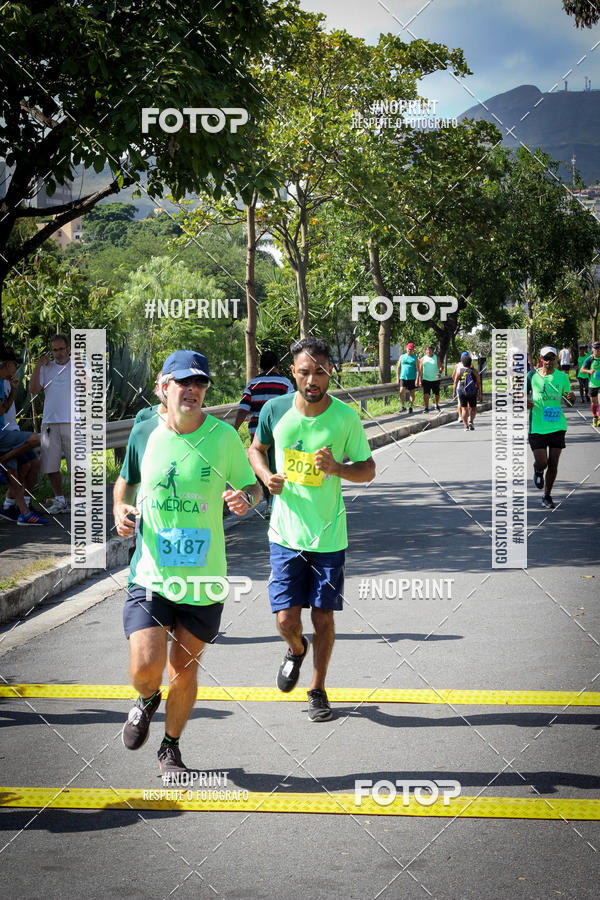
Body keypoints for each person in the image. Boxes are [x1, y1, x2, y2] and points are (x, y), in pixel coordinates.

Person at [114, 350, 261, 778]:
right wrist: (120, 508)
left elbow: (253, 488)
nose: (193, 390)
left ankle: (170, 749)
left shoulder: (223, 437)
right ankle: (144, 699)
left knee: (184, 668)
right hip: (151, 573)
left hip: (204, 578)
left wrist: (245, 499)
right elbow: (126, 480)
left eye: (200, 383)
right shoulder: (144, 433)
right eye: (184, 382)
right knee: (145, 668)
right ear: (164, 388)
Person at [248, 337, 375, 722]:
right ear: (293, 373)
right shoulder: (274, 410)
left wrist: (338, 468)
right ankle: (296, 650)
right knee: (286, 620)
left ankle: (317, 689)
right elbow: (256, 448)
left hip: (329, 537)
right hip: (285, 535)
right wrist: (266, 475)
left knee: (323, 618)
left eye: (320, 371)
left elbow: (368, 470)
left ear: (330, 371)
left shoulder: (345, 418)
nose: (312, 379)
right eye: (304, 372)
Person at [234, 351, 294, 515]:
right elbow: (293, 406)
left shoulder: (253, 384)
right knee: (279, 465)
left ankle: (270, 502)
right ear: (277, 366)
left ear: (261, 366)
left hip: (257, 432)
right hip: (281, 430)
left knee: (262, 467)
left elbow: (243, 409)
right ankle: (278, 501)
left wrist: (235, 429)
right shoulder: (285, 383)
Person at [0, 350, 48, 525]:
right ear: (7, 365)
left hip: (11, 430)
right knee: (32, 445)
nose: (17, 367)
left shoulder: (7, 381)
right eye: (14, 364)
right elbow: (2, 410)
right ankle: (17, 509)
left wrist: (13, 389)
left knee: (23, 467)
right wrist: (13, 391)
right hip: (6, 433)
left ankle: (21, 510)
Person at [526, 345, 575, 509]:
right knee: (543, 462)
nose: (549, 361)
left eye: (552, 358)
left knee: (553, 462)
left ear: (556, 359)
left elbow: (568, 403)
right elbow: (519, 396)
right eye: (546, 358)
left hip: (557, 426)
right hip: (537, 427)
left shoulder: (562, 377)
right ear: (540, 359)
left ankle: (547, 496)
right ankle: (538, 469)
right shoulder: (531, 376)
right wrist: (525, 402)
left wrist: (571, 398)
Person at [29, 334, 72, 514]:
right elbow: (32, 389)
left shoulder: (79, 365)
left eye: (61, 349)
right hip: (49, 422)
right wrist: (39, 365)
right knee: (51, 465)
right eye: (55, 350)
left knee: (76, 465)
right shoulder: (47, 368)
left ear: (68, 349)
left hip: (73, 421)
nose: (58, 353)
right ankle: (60, 500)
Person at [453, 353, 481, 431]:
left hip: (462, 390)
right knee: (473, 407)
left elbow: (455, 382)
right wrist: (480, 393)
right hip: (472, 391)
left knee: (464, 409)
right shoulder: (474, 371)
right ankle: (471, 421)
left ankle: (465, 425)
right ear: (470, 362)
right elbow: (478, 383)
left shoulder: (459, 371)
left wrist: (454, 392)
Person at [579, 340, 600, 427]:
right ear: (592, 349)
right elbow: (581, 370)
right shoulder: (589, 359)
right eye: (595, 348)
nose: (597, 350)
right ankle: (595, 416)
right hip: (592, 384)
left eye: (599, 348)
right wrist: (589, 371)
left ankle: (599, 418)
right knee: (593, 403)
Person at [417, 345, 442, 413]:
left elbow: (440, 367)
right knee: (426, 394)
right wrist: (419, 380)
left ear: (432, 350)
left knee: (436, 394)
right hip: (426, 379)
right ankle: (426, 407)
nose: (429, 351)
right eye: (427, 350)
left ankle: (436, 405)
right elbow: (420, 370)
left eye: (430, 350)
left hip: (435, 379)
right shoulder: (423, 359)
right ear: (425, 351)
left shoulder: (436, 357)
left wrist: (439, 373)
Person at [396, 342, 418, 413]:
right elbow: (398, 367)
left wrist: (417, 379)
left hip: (412, 378)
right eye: (409, 349)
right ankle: (403, 406)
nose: (410, 350)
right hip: (403, 377)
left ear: (413, 350)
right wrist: (397, 378)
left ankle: (411, 406)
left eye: (411, 349)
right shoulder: (402, 356)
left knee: (412, 393)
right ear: (406, 348)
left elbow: (418, 370)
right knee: (401, 391)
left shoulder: (415, 358)